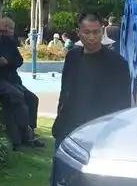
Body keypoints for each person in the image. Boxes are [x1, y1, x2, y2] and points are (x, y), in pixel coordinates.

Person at [53, 13, 132, 144]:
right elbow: (65, 91)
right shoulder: (72, 57)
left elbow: (123, 103)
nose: (92, 37)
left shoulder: (117, 63)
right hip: (67, 129)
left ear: (102, 31)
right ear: (79, 32)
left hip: (99, 131)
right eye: (87, 32)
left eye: (96, 32)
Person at [0, 17, 43, 149]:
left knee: (32, 98)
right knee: (17, 96)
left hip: (11, 79)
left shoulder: (8, 41)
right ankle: (25, 134)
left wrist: (8, 62)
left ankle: (31, 132)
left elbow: (19, 60)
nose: (0, 31)